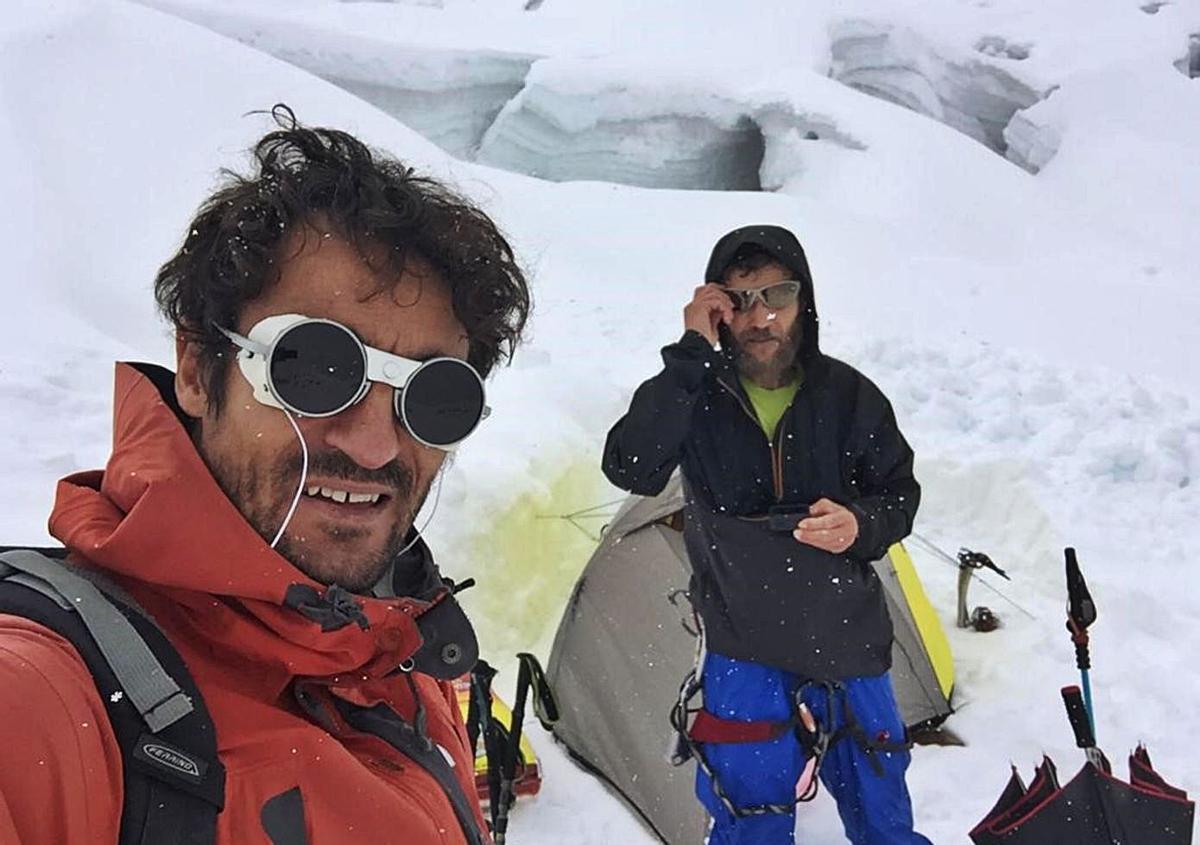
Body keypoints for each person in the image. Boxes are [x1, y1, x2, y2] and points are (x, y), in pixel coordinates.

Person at [0, 107, 530, 844]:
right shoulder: (46, 701)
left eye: (436, 397)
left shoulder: (396, 646)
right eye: (316, 368)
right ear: (195, 367)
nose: (376, 445)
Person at [602, 225, 930, 845]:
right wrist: (691, 350)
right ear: (717, 307)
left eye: (776, 295)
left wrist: (860, 524)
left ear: (804, 300)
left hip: (848, 640)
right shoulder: (695, 397)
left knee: (883, 811)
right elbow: (630, 468)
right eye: (739, 299)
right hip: (742, 646)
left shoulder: (849, 396)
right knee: (750, 819)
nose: (761, 316)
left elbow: (899, 496)